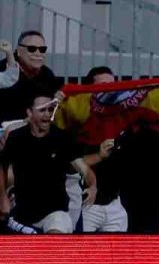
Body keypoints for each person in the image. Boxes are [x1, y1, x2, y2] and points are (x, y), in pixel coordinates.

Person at [0, 88, 97, 234]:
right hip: (22, 213)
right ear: (29, 112)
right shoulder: (16, 138)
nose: (48, 114)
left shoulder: (62, 138)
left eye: (50, 109)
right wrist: (3, 198)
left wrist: (93, 185)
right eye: (42, 110)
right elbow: (2, 167)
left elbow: (84, 168)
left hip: (56, 212)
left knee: (54, 243)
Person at [76, 66, 127, 232]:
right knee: (86, 257)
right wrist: (99, 155)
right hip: (88, 205)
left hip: (115, 206)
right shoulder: (78, 122)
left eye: (114, 86)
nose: (111, 91)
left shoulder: (125, 119)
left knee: (116, 257)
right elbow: (73, 162)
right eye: (104, 87)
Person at [0, 30, 63, 124]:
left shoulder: (47, 75)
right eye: (32, 48)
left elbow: (51, 110)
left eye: (42, 49)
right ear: (18, 51)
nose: (38, 53)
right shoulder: (3, 69)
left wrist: (55, 103)